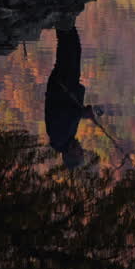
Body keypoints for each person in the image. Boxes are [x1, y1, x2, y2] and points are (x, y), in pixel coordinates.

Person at [44, 22, 96, 169]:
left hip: (63, 85)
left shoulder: (59, 137)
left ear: (71, 154)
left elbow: (62, 113)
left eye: (80, 152)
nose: (81, 149)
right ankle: (65, 22)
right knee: (73, 50)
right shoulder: (67, 138)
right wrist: (83, 112)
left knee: (69, 51)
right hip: (67, 86)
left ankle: (63, 21)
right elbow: (72, 113)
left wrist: (82, 113)